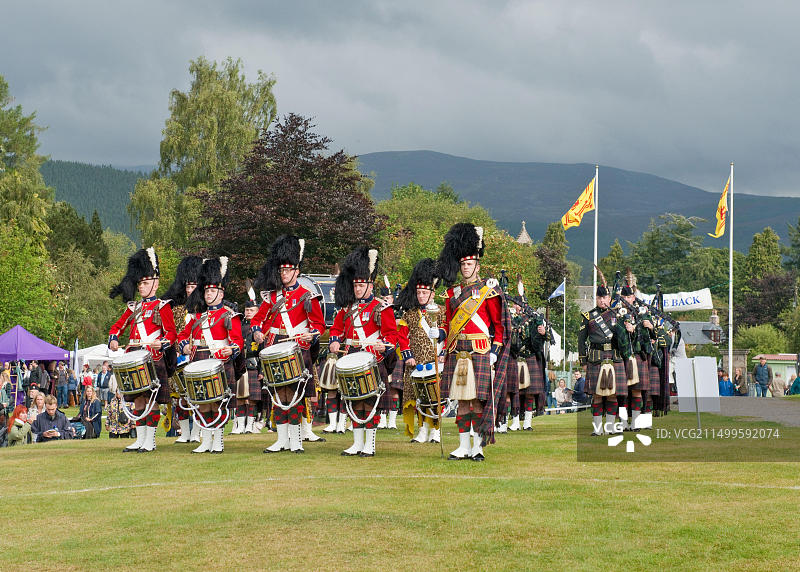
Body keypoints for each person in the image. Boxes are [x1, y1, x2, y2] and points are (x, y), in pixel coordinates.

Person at [433, 223, 511, 461]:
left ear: (477, 265)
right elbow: (447, 324)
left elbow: (500, 326)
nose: (465, 268)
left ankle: (477, 446)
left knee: (477, 402)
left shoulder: (489, 290)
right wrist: (440, 336)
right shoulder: (452, 293)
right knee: (461, 402)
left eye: (469, 264)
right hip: (458, 351)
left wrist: (495, 351)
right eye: (463, 264)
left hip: (480, 351)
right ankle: (462, 446)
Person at [252, 235, 326, 453]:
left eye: (288, 270)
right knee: (278, 394)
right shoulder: (272, 296)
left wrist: (310, 335)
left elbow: (319, 325)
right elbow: (258, 320)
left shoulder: (307, 296)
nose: (284, 274)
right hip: (274, 347)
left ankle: (297, 440)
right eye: (282, 270)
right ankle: (281, 440)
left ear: (297, 271)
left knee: (295, 395)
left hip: (297, 349)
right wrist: (257, 332)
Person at [328, 246, 399, 457]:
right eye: (355, 284)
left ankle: (370, 444)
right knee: (353, 401)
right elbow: (337, 329)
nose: (357, 289)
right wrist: (333, 341)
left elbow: (392, 336)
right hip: (350, 358)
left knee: (370, 402)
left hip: (372, 359)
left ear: (370, 285)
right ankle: (357, 443)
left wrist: (383, 345)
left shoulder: (381, 308)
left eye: (361, 285)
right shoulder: (347, 308)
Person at [108, 247, 178, 453]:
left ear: (155, 284)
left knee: (151, 399)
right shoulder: (133, 307)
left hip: (152, 357)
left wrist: (163, 343)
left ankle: (150, 441)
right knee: (138, 399)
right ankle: (140, 440)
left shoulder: (162, 306)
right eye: (139, 283)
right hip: (133, 357)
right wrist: (113, 338)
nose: (141, 287)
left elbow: (171, 333)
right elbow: (117, 327)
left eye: (145, 283)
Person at [178, 256, 244, 454]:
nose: (208, 294)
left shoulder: (229, 315)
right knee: (202, 403)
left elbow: (238, 341)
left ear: (221, 292)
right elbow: (182, 335)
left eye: (212, 290)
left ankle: (218, 441)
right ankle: (206, 441)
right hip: (199, 361)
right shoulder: (197, 317)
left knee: (217, 403)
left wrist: (231, 349)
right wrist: (184, 347)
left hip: (219, 362)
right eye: (206, 290)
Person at [395, 258, 444, 444]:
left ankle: (436, 430)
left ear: (432, 293)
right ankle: (422, 430)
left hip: (435, 359)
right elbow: (402, 337)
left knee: (435, 398)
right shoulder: (409, 313)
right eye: (419, 292)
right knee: (419, 399)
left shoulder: (441, 311)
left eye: (424, 292)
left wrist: (442, 352)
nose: (421, 295)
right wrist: (407, 355)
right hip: (416, 361)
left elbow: (447, 334)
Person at [578, 275, 632, 436]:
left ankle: (609, 427)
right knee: (597, 395)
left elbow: (624, 339)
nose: (602, 300)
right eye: (600, 297)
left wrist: (629, 329)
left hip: (615, 357)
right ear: (596, 298)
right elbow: (581, 341)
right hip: (596, 358)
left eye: (605, 297)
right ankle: (597, 429)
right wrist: (583, 361)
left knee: (613, 395)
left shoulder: (618, 315)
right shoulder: (588, 317)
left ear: (609, 298)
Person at [163, 255, 204, 444]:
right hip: (179, 360)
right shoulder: (177, 310)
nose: (190, 290)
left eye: (193, 286)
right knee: (181, 398)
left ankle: (197, 432)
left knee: (198, 397)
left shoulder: (205, 311)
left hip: (200, 359)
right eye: (187, 286)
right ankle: (185, 433)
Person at [238, 282, 266, 435]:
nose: (248, 312)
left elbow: (263, 349)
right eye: (246, 310)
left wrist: (262, 369)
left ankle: (251, 424)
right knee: (240, 396)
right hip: (241, 365)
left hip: (255, 365)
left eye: (251, 310)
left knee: (253, 398)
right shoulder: (240, 325)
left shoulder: (261, 328)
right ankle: (240, 426)